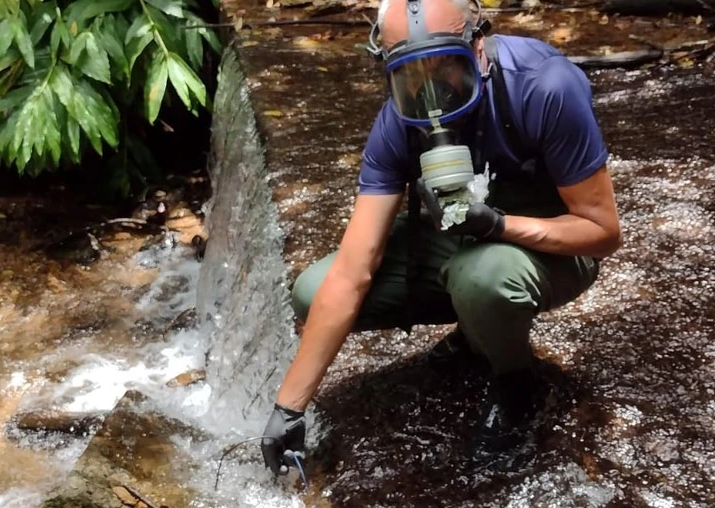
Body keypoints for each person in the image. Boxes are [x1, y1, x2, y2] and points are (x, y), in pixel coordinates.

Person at [259, 0, 622, 476]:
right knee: (312, 291)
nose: (430, 91)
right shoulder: (397, 124)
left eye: (444, 65)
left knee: (485, 278)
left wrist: (497, 225)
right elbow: (352, 271)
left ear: (478, 47)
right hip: (455, 241)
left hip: (553, 246)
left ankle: (519, 385)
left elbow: (602, 233)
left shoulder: (542, 88)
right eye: (410, 75)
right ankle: (476, 332)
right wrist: (289, 408)